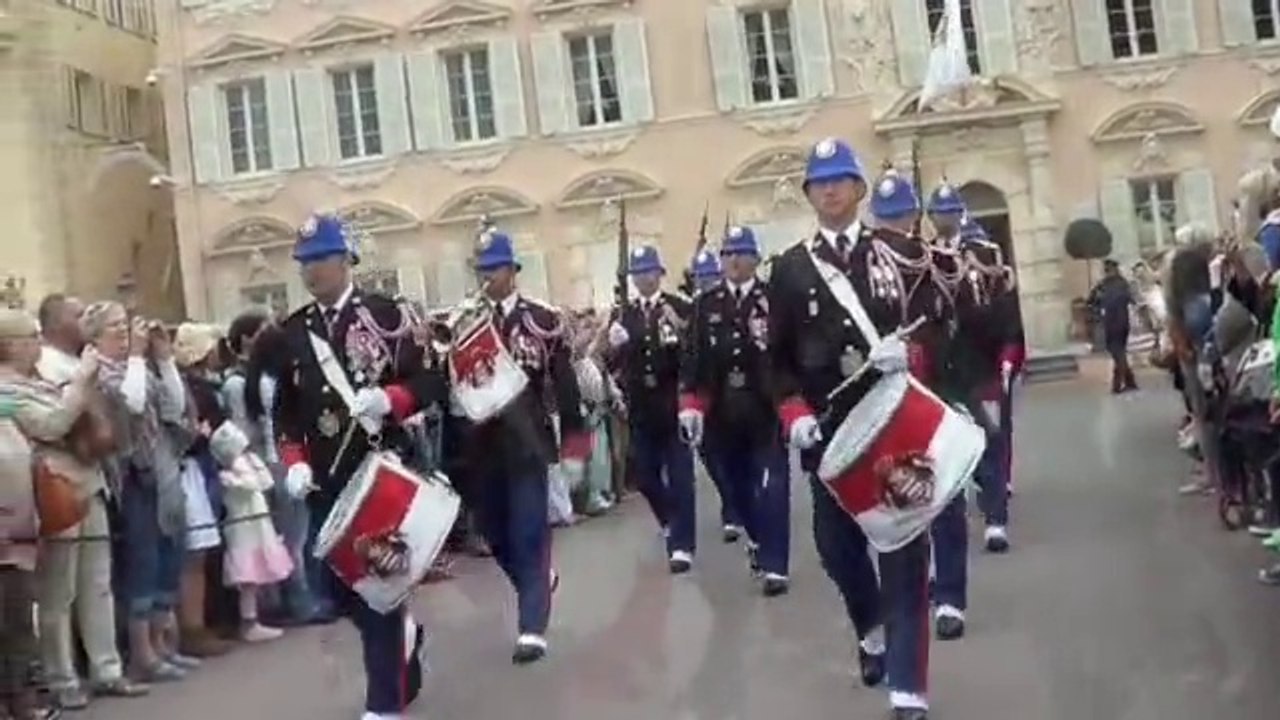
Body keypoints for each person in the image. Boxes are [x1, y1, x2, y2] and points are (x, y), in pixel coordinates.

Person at [767, 138, 938, 720]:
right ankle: (870, 627)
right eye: (820, 182)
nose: (831, 189)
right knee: (837, 548)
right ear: (810, 193)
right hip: (831, 430)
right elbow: (778, 358)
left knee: (905, 544)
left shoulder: (897, 254)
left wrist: (910, 354)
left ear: (861, 190)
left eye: (840, 179)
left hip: (896, 422)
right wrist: (794, 413)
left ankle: (908, 686)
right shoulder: (790, 270)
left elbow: (939, 326)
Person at [275, 213, 446, 720]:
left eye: (321, 260)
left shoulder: (387, 316)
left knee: (379, 590)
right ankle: (405, 645)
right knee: (331, 587)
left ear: (345, 260)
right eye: (304, 263)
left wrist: (391, 398)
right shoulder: (294, 332)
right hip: (325, 481)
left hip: (379, 472)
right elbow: (285, 412)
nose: (311, 272)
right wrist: (293, 461)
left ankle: (384, 705)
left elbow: (431, 383)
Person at [460, 229, 589, 663]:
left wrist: (574, 446)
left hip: (528, 443)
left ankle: (531, 627)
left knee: (530, 533)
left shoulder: (541, 320)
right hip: (482, 446)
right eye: (480, 269)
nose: (486, 277)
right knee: (497, 537)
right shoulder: (467, 323)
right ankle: (537, 582)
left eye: (493, 268)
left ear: (513, 271)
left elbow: (566, 387)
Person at [32, 295, 148, 707]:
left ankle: (107, 669)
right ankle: (61, 678)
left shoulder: (87, 360)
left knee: (98, 584)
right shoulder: (44, 364)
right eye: (76, 313)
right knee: (58, 591)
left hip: (92, 475)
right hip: (60, 478)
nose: (84, 319)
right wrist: (84, 384)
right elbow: (52, 423)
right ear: (53, 322)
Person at [1, 307, 103, 720]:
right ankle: (42, 687)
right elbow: (53, 423)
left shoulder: (31, 383)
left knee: (29, 608)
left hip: (28, 508)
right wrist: (80, 383)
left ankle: (25, 696)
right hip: (20, 514)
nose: (36, 346)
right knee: (29, 609)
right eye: (29, 338)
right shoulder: (6, 390)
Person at [680, 225, 791, 596]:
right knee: (737, 487)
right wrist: (691, 405)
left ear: (756, 259)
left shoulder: (773, 299)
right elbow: (693, 359)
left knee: (773, 486)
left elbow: (786, 353)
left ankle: (777, 564)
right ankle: (758, 537)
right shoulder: (706, 305)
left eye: (741, 253)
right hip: (723, 411)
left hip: (766, 407)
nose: (734, 261)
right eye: (727, 254)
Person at [85, 302, 191, 684]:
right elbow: (130, 404)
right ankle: (141, 653)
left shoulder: (138, 367)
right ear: (94, 336)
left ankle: (162, 647)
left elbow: (175, 407)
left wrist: (163, 360)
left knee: (166, 556)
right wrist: (134, 357)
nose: (124, 332)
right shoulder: (97, 372)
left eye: (124, 325)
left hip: (158, 471)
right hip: (130, 478)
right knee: (141, 563)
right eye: (114, 327)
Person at [608, 245, 698, 573]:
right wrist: (614, 345)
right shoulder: (624, 314)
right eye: (638, 273)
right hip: (641, 408)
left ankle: (683, 545)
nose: (644, 278)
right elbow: (613, 362)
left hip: (673, 402)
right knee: (645, 475)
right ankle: (669, 519)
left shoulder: (680, 307)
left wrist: (684, 332)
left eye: (649, 271)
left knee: (680, 478)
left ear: (659, 273)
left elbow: (693, 354)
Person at [170, 323, 236, 660]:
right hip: (192, 467)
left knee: (203, 550)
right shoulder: (190, 387)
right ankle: (193, 627)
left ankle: (203, 622)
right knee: (194, 554)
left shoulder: (199, 384)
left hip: (200, 465)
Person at [209, 421, 292, 641]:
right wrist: (239, 470)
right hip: (242, 530)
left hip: (258, 528)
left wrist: (254, 463)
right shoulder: (227, 476)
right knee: (247, 579)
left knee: (254, 580)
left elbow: (264, 482)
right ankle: (248, 622)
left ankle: (255, 617)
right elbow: (248, 485)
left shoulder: (247, 464)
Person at [1088, 259, 1138, 394]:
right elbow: (1132, 299)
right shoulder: (1123, 283)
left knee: (1116, 352)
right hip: (1123, 321)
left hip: (1111, 322)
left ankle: (1117, 385)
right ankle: (1130, 381)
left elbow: (1091, 301)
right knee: (1120, 351)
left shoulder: (1103, 285)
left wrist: (1097, 305)